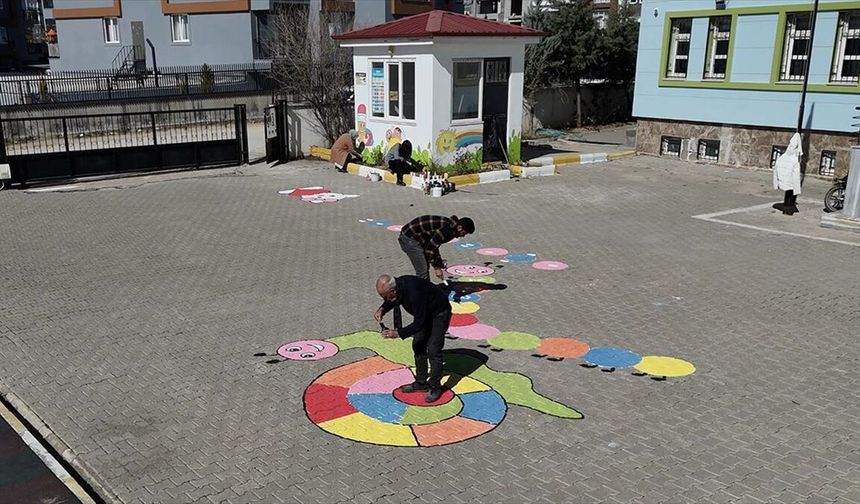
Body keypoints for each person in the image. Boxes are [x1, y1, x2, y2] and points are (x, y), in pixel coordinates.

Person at [374, 274, 452, 403]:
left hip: (439, 313)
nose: (384, 299)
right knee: (418, 345)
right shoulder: (398, 286)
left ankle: (435, 386)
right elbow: (393, 299)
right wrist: (383, 308)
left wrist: (398, 333)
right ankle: (421, 383)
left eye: (384, 296)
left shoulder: (414, 293)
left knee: (433, 350)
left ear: (393, 290)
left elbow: (420, 322)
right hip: (425, 313)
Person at [399, 215, 475, 281]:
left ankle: (426, 289)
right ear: (459, 228)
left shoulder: (451, 226)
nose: (463, 236)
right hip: (409, 238)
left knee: (425, 265)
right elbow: (430, 249)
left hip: (417, 237)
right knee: (422, 269)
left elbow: (434, 246)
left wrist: (439, 263)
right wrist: (437, 268)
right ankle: (422, 294)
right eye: (464, 233)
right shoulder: (447, 229)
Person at [773, 132, 802, 215]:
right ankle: (788, 210)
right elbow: (796, 176)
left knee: (787, 194)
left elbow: (776, 168)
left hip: (784, 181)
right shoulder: (795, 159)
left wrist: (777, 182)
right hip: (791, 181)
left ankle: (785, 208)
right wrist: (797, 187)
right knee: (791, 195)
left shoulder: (783, 156)